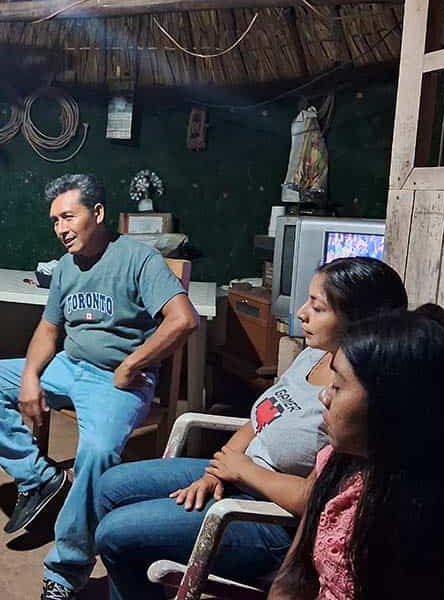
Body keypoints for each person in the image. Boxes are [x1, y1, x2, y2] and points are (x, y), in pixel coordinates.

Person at [94, 257, 408, 599]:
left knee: (114, 534)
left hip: (271, 520)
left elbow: (317, 498)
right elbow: (262, 419)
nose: (301, 313)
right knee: (110, 486)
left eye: (317, 308)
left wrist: (241, 471)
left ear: (358, 320)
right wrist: (217, 470)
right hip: (238, 478)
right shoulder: (314, 354)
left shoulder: (352, 398)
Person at [0, 174, 199, 599]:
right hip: (68, 365)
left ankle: (65, 571)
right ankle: (38, 478)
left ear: (98, 213)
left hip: (115, 378)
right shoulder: (66, 268)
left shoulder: (138, 259)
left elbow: (184, 319)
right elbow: (48, 329)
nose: (61, 229)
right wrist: (32, 377)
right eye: (54, 221)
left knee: (96, 452)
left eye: (68, 217)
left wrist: (133, 364)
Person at [269, 306, 444, 600]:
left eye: (337, 386)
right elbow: (292, 579)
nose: (324, 396)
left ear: (392, 404)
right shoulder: (339, 463)